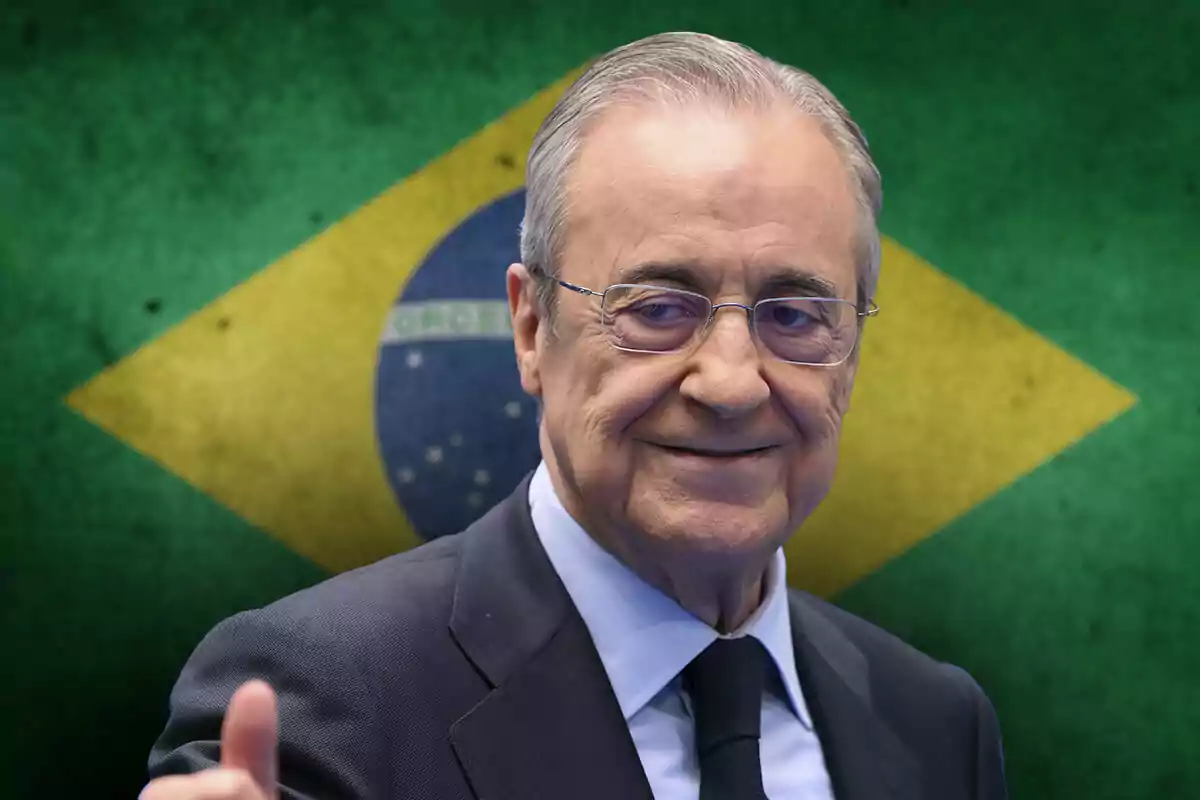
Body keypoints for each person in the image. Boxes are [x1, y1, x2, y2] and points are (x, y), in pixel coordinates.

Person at [142, 31, 1007, 800]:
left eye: (794, 314)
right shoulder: (327, 700)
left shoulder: (933, 724)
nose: (733, 382)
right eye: (660, 307)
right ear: (530, 329)